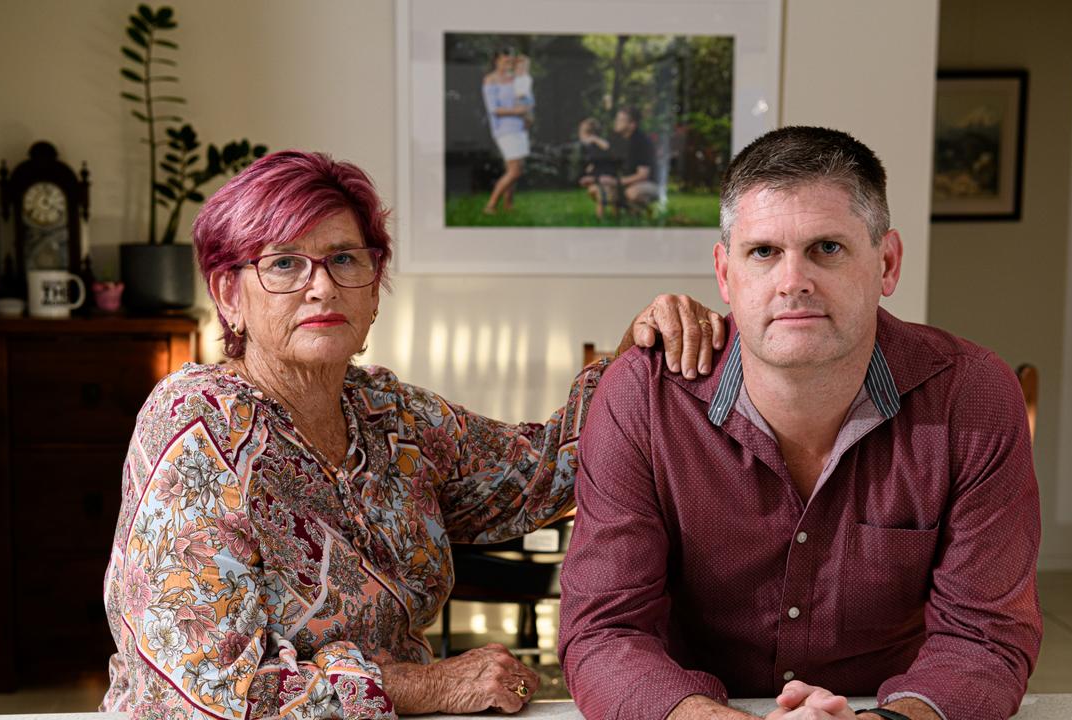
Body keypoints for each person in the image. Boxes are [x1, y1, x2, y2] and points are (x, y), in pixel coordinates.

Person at [101, 150, 726, 720]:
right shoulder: (197, 424)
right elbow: (203, 691)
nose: (321, 285)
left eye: (345, 259)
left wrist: (637, 349)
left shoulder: (387, 414)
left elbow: (544, 471)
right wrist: (426, 686)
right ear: (228, 294)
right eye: (285, 263)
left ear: (374, 287)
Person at [558, 126, 1041, 720]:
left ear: (887, 264)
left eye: (827, 249)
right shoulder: (644, 399)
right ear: (724, 272)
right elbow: (604, 631)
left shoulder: (973, 397)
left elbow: (984, 638)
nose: (794, 282)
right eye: (763, 252)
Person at [482, 47, 532, 215]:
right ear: (497, 61)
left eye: (511, 61)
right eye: (505, 61)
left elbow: (527, 99)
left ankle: (508, 205)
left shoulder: (515, 79)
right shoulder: (490, 80)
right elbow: (493, 109)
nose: (509, 65)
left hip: (520, 127)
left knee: (516, 169)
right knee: (514, 170)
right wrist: (517, 111)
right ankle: (491, 205)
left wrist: (528, 113)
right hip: (504, 129)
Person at [607, 106, 659, 213]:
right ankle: (615, 221)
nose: (616, 123)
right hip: (629, 182)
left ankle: (646, 214)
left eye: (620, 120)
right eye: (617, 119)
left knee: (632, 193)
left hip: (651, 184)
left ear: (632, 125)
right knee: (601, 190)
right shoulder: (619, 141)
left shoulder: (641, 142)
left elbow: (643, 175)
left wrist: (616, 182)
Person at [577, 118, 619, 219]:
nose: (579, 136)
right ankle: (612, 216)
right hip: (602, 177)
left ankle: (602, 219)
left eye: (581, 132)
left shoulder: (597, 145)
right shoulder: (592, 147)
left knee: (601, 193)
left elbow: (608, 151)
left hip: (607, 178)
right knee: (596, 192)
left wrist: (593, 177)